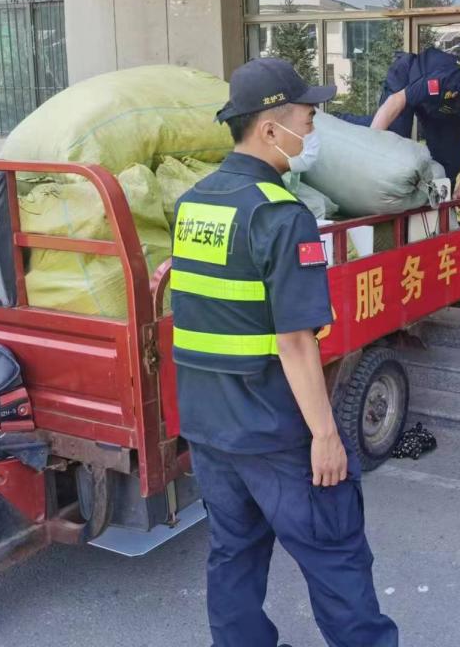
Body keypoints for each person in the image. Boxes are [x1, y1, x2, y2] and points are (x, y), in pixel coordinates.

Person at [171, 57, 398, 647]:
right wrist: (325, 435)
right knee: (336, 555)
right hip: (273, 429)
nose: (313, 130)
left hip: (210, 426)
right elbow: (295, 340)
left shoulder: (195, 203)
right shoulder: (279, 214)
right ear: (270, 128)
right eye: (308, 118)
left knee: (233, 555)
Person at [346, 47, 460, 209]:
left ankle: (436, 211)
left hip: (442, 108)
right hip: (408, 78)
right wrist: (372, 145)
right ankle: (342, 121)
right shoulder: (446, 80)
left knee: (450, 162)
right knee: (394, 139)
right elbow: (397, 100)